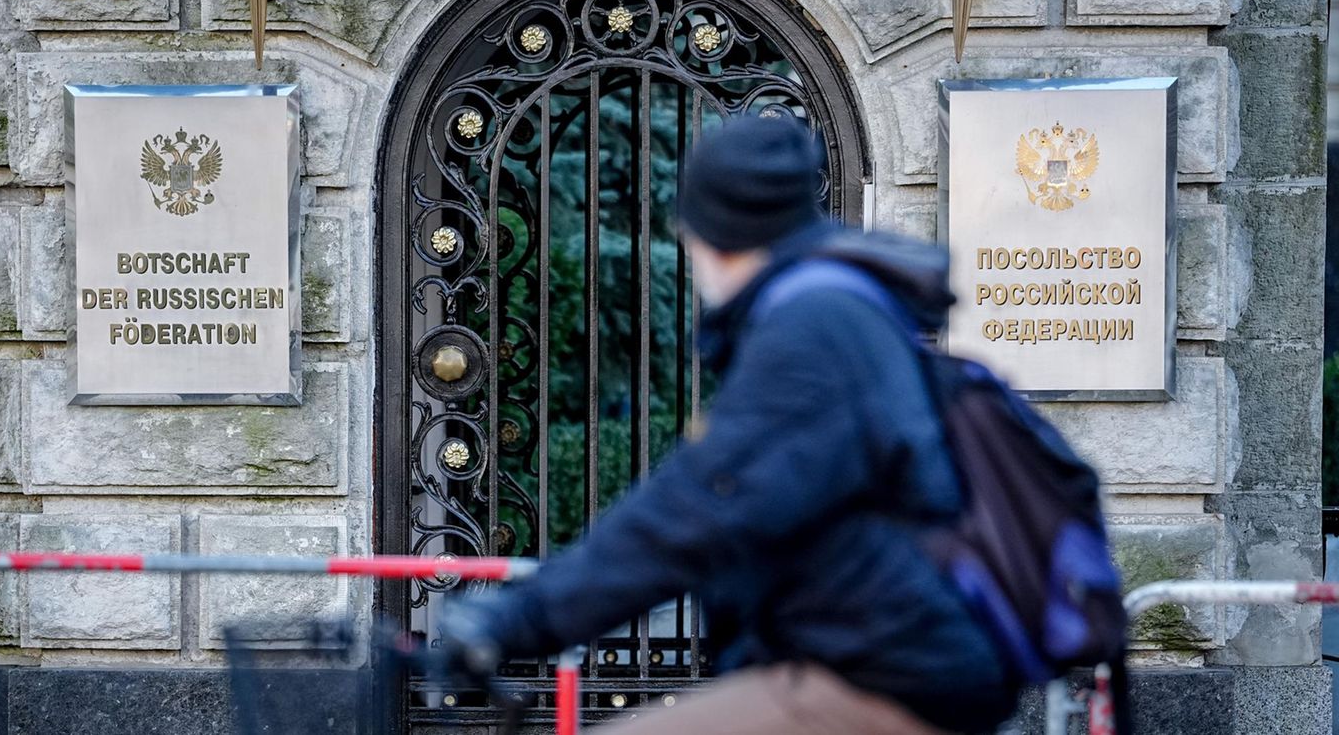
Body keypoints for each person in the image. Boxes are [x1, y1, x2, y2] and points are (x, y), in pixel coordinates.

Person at [437, 115, 1020, 734]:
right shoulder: (839, 308)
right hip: (866, 655)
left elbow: (697, 507)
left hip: (882, 673)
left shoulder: (814, 329)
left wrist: (517, 619)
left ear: (715, 235)